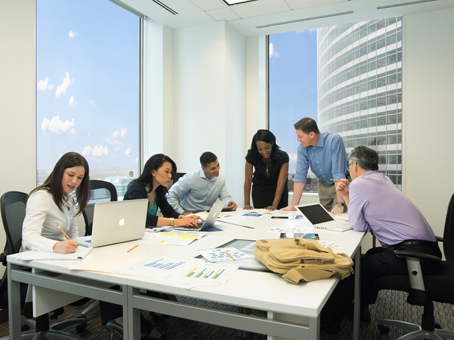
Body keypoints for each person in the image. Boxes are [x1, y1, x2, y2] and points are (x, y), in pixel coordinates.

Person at [321, 146, 442, 333]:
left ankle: (330, 319)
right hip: (428, 251)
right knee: (370, 254)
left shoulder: (359, 184)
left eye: (348, 165)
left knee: (352, 266)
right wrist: (346, 195)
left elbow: (359, 225)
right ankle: (362, 306)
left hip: (414, 257)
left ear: (354, 165)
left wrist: (348, 192)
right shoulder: (382, 179)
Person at [22, 152, 90, 254]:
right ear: (59, 172)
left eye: (80, 178)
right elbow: (29, 237)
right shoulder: (41, 197)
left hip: (61, 256)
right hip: (37, 256)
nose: (74, 181)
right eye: (70, 175)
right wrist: (55, 246)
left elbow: (72, 234)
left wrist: (80, 249)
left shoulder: (69, 198)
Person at [282, 117, 349, 214]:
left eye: (300, 136)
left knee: (339, 215)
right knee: (325, 217)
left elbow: (338, 173)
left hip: (341, 183)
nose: (298, 139)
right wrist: (293, 206)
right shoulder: (302, 148)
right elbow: (300, 176)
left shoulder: (334, 140)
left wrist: (339, 204)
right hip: (323, 184)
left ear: (311, 134)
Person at [125, 153, 200, 227]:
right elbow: (144, 218)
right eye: (166, 172)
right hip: (130, 232)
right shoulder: (136, 189)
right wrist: (177, 222)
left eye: (171, 172)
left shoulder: (158, 190)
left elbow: (168, 212)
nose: (170, 176)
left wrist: (184, 218)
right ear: (153, 172)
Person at [166, 152, 237, 214]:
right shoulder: (190, 178)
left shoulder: (221, 178)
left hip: (209, 214)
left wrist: (229, 203)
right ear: (203, 168)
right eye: (213, 168)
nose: (217, 170)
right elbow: (170, 195)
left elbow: (225, 197)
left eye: (218, 165)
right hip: (190, 213)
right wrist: (182, 213)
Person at [243, 129, 289, 210]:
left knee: (278, 219)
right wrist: (246, 203)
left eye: (267, 148)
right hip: (260, 191)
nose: (264, 152)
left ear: (272, 143)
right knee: (261, 219)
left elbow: (281, 182)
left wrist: (274, 206)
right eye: (260, 149)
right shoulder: (252, 155)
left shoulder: (283, 157)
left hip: (278, 191)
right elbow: (248, 179)